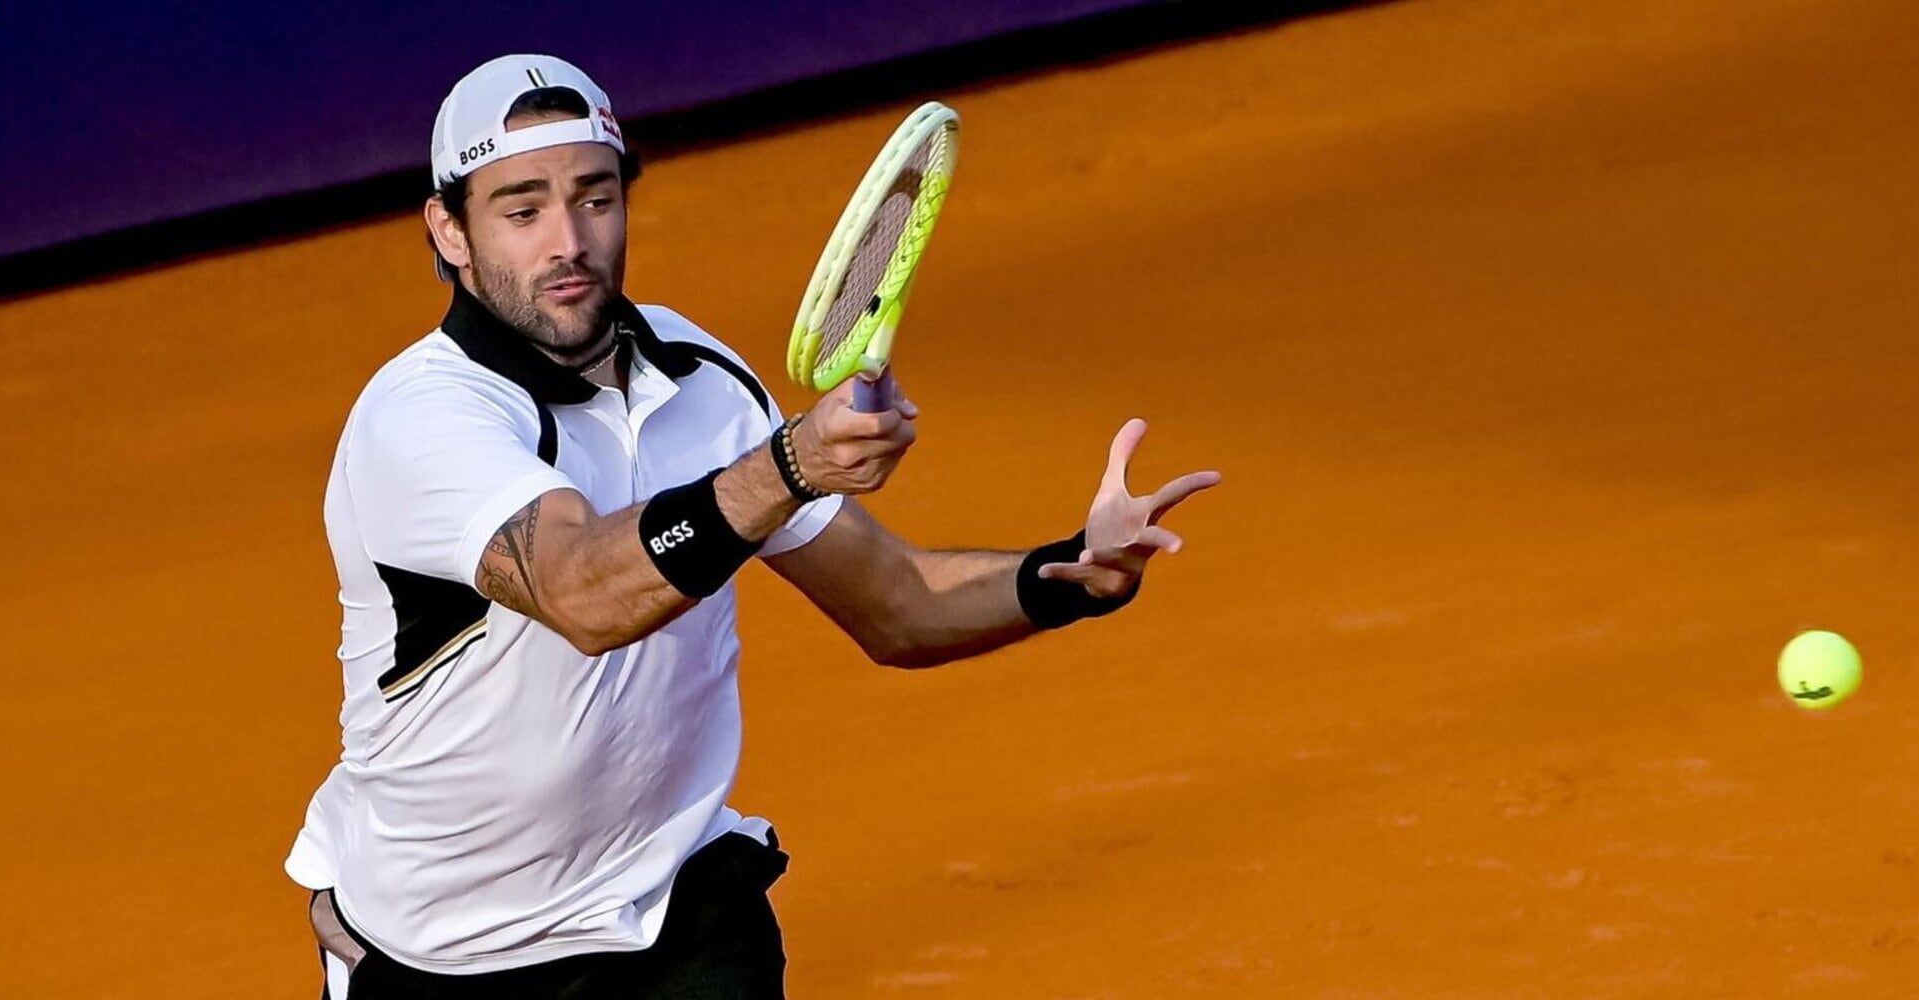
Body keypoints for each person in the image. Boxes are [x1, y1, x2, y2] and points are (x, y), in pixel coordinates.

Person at [286, 53, 1220, 1000]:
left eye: (595, 199)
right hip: (448, 953)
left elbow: (895, 604)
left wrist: (1068, 574)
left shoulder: (702, 379)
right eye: (522, 210)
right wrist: (788, 467)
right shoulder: (425, 417)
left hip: (675, 906)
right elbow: (582, 592)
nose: (567, 241)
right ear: (449, 229)